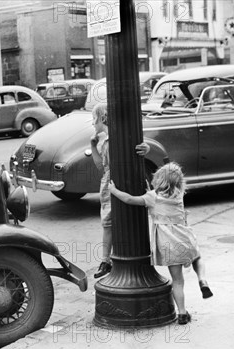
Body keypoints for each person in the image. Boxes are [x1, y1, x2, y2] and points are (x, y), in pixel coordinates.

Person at [109, 162, 213, 325]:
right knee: (197, 258)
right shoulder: (178, 195)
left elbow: (130, 199)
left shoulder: (152, 197)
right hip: (185, 238)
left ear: (158, 179)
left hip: (168, 244)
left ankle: (182, 314)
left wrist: (114, 191)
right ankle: (202, 280)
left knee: (177, 281)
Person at [89, 103, 150, 279]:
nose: (93, 124)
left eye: (94, 119)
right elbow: (101, 166)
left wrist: (146, 148)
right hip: (109, 183)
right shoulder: (103, 141)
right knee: (107, 222)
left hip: (122, 182)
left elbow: (142, 146)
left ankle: (120, 258)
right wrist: (93, 145)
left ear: (102, 118)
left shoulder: (120, 136)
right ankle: (106, 260)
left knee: (127, 218)